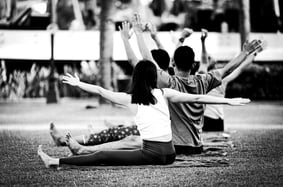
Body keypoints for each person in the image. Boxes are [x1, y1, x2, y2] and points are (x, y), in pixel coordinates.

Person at [38, 60, 250, 168]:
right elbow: (197, 98)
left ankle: (56, 162)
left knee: (103, 156)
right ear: (152, 78)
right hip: (171, 154)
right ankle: (77, 149)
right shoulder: (164, 93)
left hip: (154, 155)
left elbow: (102, 91)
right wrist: (228, 101)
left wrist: (79, 84)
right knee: (127, 141)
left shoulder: (130, 99)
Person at [199, 29, 265, 131]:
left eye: (210, 57)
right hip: (212, 118)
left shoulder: (211, 77)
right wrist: (251, 53)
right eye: (208, 57)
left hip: (216, 118)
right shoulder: (205, 76)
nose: (209, 58)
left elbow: (241, 67)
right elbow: (240, 67)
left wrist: (253, 53)